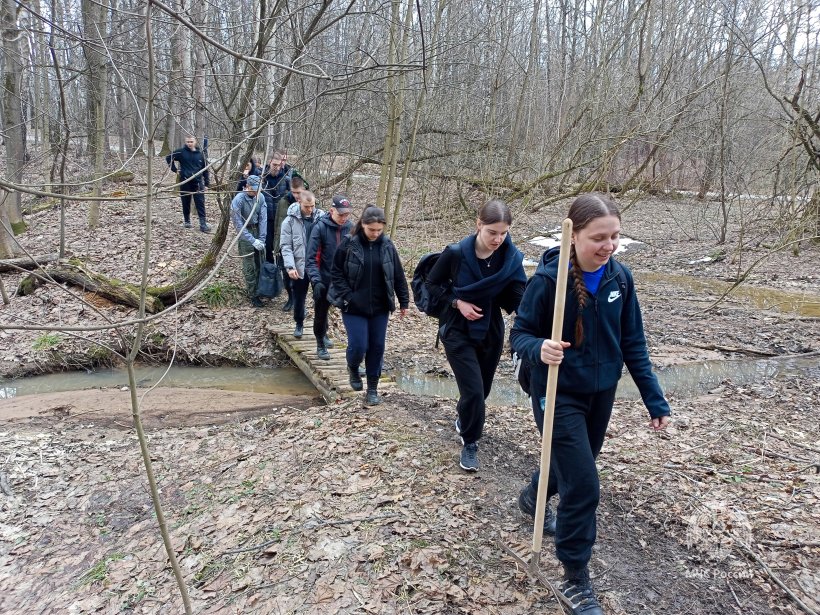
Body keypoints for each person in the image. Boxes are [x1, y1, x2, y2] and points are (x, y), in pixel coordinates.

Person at [509, 193, 671, 615]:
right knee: (584, 483)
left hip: (601, 393)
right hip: (556, 391)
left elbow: (633, 341)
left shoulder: (621, 278)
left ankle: (533, 494)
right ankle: (575, 577)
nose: (609, 245)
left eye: (615, 236)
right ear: (574, 235)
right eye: (599, 237)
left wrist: (654, 399)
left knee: (574, 464)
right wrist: (539, 347)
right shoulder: (548, 282)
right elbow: (520, 334)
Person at [425, 200, 526, 472]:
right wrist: (458, 303)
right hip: (458, 329)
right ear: (479, 224)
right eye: (492, 232)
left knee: (482, 391)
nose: (498, 238)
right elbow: (431, 284)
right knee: (474, 390)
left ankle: (465, 417)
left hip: (491, 328)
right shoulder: (456, 253)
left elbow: (518, 294)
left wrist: (536, 315)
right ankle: (470, 442)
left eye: (503, 233)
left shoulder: (511, 258)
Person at [328, 206, 409, 405]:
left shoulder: (387, 245)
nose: (375, 233)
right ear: (363, 225)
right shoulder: (349, 244)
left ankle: (372, 389)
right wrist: (349, 296)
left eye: (379, 230)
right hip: (354, 306)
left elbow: (397, 274)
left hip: (380, 307)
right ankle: (353, 367)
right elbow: (336, 272)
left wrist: (404, 301)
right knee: (359, 345)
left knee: (377, 347)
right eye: (371, 229)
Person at [305, 195, 354, 360]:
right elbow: (310, 258)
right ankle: (320, 343)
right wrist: (316, 280)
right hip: (323, 278)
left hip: (344, 281)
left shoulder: (351, 228)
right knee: (321, 312)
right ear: (331, 211)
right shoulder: (319, 228)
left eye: (347, 214)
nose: (344, 218)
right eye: (341, 214)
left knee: (353, 314)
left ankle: (354, 355)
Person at [280, 190, 325, 336]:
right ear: (299, 202)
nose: (310, 209)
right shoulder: (289, 221)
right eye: (307, 206)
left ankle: (323, 332)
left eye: (312, 205)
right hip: (299, 266)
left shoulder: (322, 219)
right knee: (299, 298)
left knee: (322, 300)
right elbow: (286, 246)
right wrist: (290, 266)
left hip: (318, 266)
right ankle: (299, 323)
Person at [230, 175, 267, 308]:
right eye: (254, 189)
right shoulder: (238, 200)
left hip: (258, 230)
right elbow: (238, 225)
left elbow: (263, 218)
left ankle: (261, 289)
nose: (256, 192)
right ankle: (253, 294)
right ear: (248, 186)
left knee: (260, 262)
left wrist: (262, 238)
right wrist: (251, 240)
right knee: (249, 266)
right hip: (245, 234)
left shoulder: (260, 198)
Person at [271, 176, 307, 311]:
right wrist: (276, 246)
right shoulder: (283, 202)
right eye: (294, 192)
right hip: (284, 246)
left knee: (300, 277)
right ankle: (290, 298)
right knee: (286, 275)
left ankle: (299, 301)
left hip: (301, 247)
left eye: (299, 192)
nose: (297, 195)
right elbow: (278, 225)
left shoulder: (310, 202)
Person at [165, 135, 212, 232]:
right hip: (185, 181)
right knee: (185, 202)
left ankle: (203, 224)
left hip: (198, 183)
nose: (189, 144)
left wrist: (207, 184)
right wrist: (175, 169)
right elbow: (168, 157)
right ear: (185, 142)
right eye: (188, 142)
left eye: (191, 141)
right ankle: (187, 221)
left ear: (195, 142)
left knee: (200, 203)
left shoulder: (200, 154)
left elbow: (205, 169)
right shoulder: (181, 152)